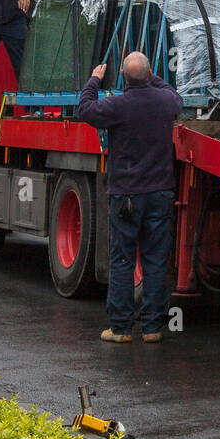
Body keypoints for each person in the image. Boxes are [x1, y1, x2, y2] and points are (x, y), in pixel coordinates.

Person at [76, 51, 181, 344]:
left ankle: (121, 329)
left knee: (122, 260)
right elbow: (174, 95)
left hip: (126, 194)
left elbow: (84, 109)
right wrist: (152, 77)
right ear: (149, 75)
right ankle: (152, 328)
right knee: (155, 260)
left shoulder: (117, 106)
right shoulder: (165, 102)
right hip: (159, 193)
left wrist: (94, 81)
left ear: (123, 77)